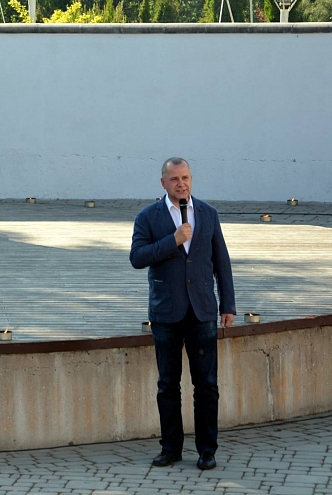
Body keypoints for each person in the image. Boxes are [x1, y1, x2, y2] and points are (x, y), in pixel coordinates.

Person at [129, 157, 236, 471]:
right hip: (166, 312)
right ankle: (171, 448)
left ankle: (207, 450)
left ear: (192, 179)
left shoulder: (208, 214)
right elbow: (137, 257)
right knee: (168, 385)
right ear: (163, 183)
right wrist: (171, 241)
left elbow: (222, 262)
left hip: (202, 310)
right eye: (174, 179)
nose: (181, 184)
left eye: (185, 177)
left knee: (206, 385)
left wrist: (227, 304)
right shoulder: (148, 217)